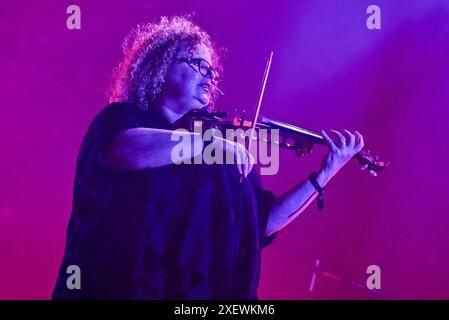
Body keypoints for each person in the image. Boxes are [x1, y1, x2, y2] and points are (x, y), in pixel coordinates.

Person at [52, 15, 364, 300]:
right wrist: (211, 145)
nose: (209, 76)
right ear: (162, 66)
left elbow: (261, 223)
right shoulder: (122, 119)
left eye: (211, 70)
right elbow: (127, 151)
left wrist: (324, 175)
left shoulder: (217, 154)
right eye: (198, 64)